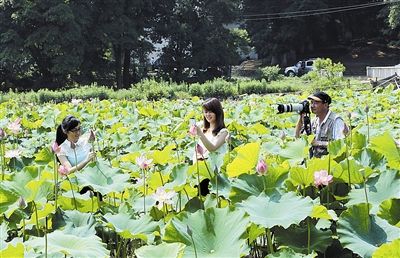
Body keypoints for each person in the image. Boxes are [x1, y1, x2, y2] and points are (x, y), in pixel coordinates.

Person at [295, 91, 348, 158]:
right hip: (315, 161)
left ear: (325, 105)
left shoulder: (336, 120)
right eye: (312, 102)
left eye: (316, 103)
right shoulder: (314, 121)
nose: (312, 106)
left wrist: (318, 143)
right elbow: (297, 137)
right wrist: (301, 117)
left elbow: (342, 145)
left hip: (331, 161)